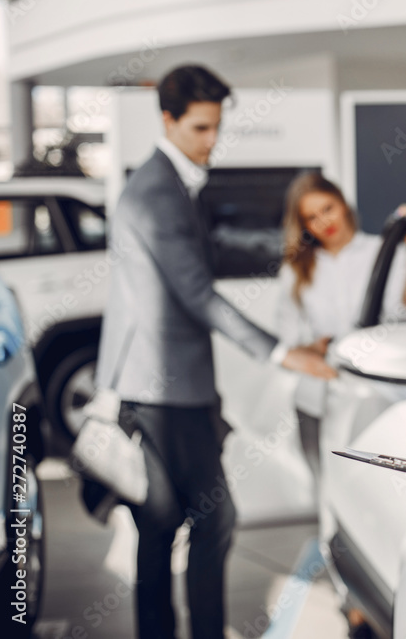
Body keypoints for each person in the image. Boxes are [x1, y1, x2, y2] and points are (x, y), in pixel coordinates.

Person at [94, 64, 336, 639]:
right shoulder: (157, 193)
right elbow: (198, 295)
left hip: (163, 385)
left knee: (163, 526)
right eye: (200, 128)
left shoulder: (168, 185)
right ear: (168, 119)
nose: (212, 140)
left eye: (217, 127)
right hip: (161, 389)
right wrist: (283, 353)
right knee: (211, 517)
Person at [276, 171, 406, 484]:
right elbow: (287, 338)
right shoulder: (296, 268)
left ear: (343, 204)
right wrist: (311, 347)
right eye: (311, 217)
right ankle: (327, 531)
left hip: (377, 386)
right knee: (327, 481)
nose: (323, 222)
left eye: (327, 208)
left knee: (376, 479)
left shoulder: (383, 251)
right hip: (320, 389)